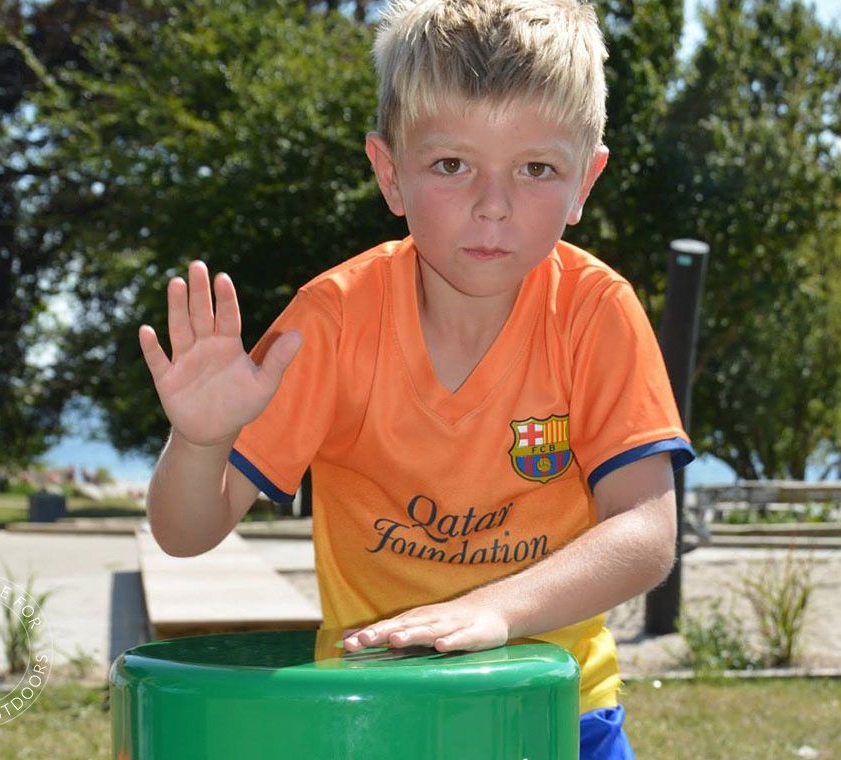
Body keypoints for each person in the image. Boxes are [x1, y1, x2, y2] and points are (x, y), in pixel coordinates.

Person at [139, 1, 693, 757]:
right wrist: (200, 441)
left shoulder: (595, 312)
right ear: (389, 172)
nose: (492, 206)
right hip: (374, 716)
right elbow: (185, 532)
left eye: (536, 169)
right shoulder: (330, 322)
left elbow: (646, 532)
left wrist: (495, 610)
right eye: (451, 165)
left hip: (560, 711)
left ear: (584, 183)